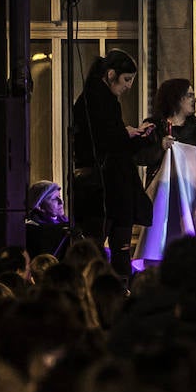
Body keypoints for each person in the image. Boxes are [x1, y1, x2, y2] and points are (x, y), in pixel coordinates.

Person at [70, 49, 154, 278]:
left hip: (104, 190)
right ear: (110, 75)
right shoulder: (101, 102)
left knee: (98, 252)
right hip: (108, 190)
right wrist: (133, 137)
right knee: (117, 252)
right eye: (126, 80)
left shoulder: (92, 100)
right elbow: (109, 143)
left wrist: (130, 136)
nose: (128, 87)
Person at [137, 78, 196, 182]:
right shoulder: (153, 126)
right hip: (162, 190)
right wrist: (160, 147)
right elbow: (139, 156)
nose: (195, 99)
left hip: (190, 190)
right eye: (189, 95)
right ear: (175, 98)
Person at [25, 180, 70, 259]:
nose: (61, 202)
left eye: (59, 196)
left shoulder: (67, 223)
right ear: (39, 206)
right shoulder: (33, 229)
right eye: (54, 199)